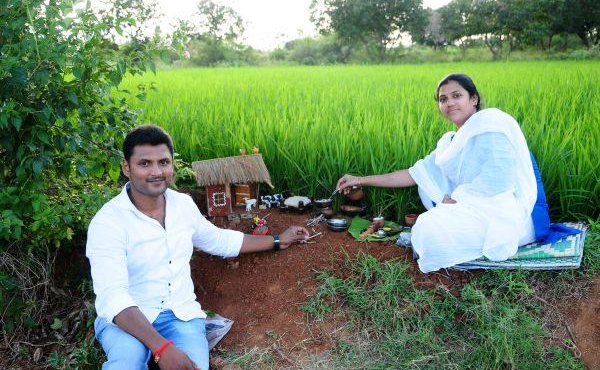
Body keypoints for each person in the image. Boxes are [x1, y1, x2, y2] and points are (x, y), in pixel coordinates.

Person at [87, 124, 309, 370]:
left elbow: (218, 240)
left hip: (180, 315)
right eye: (144, 163)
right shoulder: (108, 222)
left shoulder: (182, 204)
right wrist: (161, 348)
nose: (156, 172)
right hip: (128, 319)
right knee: (126, 363)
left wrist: (279, 240)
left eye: (163, 162)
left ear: (172, 164)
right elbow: (114, 298)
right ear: (126, 167)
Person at [337, 73, 557, 273]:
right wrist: (359, 179)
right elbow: (414, 175)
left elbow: (498, 181)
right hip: (471, 210)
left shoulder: (491, 123)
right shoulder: (449, 143)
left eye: (456, 95)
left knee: (429, 230)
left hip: (509, 213)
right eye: (443, 99)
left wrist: (459, 200)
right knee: (427, 223)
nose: (449, 103)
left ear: (474, 99)